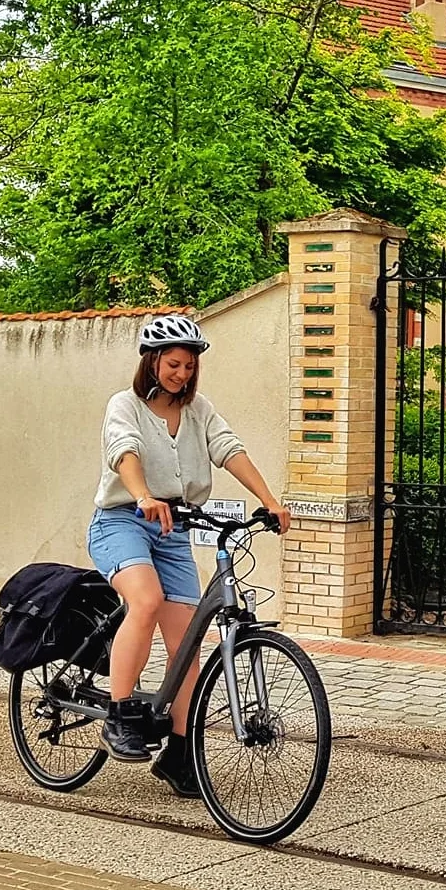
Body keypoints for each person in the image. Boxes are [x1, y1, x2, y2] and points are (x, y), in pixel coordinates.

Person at [87, 314, 292, 795]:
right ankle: (120, 716)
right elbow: (124, 453)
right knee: (146, 599)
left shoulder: (199, 410)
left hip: (176, 527)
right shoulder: (126, 405)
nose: (182, 373)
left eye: (189, 366)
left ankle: (180, 753)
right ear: (153, 361)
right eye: (174, 364)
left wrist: (269, 499)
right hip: (122, 521)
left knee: (187, 645)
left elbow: (229, 450)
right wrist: (141, 496)